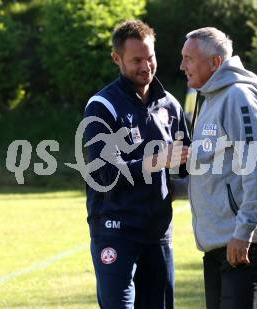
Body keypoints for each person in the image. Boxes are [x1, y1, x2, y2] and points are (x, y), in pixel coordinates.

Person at [83, 20, 190, 309]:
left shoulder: (171, 106)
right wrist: (156, 161)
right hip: (115, 230)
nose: (146, 66)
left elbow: (184, 171)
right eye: (137, 60)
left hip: (158, 234)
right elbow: (102, 173)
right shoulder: (103, 106)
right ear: (117, 59)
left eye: (150, 57)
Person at [180, 27, 257, 309]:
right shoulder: (209, 99)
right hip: (219, 243)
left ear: (214, 62)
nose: (182, 66)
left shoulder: (239, 96)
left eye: (189, 58)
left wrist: (244, 231)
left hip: (244, 242)